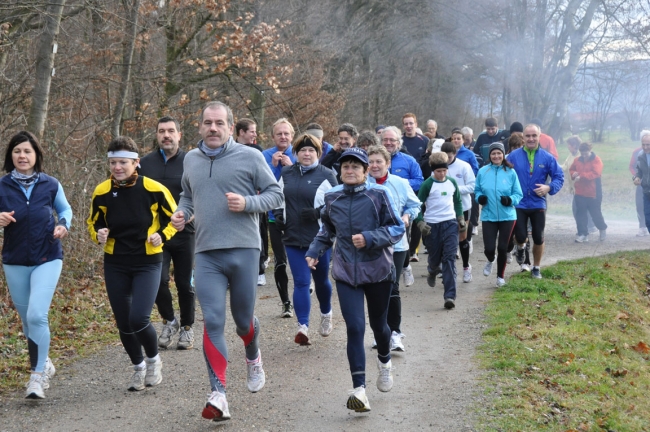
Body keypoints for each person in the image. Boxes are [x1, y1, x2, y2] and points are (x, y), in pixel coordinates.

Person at [171, 101, 283, 421]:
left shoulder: (249, 156)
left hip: (244, 249)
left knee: (243, 321)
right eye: (208, 123)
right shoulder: (191, 159)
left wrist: (248, 202)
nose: (213, 128)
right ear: (200, 126)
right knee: (214, 321)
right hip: (206, 252)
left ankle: (253, 354)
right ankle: (218, 393)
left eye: (220, 123)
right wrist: (183, 212)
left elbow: (275, 195)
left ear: (231, 128)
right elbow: (188, 194)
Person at [305, 147, 404, 413]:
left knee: (379, 326)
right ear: (340, 170)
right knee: (355, 328)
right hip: (346, 272)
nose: (350, 171)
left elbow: (397, 228)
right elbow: (327, 231)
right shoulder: (331, 197)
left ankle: (384, 362)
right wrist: (315, 251)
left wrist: (370, 238)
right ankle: (359, 389)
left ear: (365, 171)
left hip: (378, 271)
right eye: (345, 167)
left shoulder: (378, 195)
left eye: (355, 167)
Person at [88, 136, 177, 392]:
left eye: (123, 162)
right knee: (124, 322)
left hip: (147, 261)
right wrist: (99, 234)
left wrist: (163, 235)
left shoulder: (154, 188)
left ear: (136, 162)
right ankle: (138, 367)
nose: (118, 167)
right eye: (113, 162)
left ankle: (153, 360)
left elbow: (176, 218)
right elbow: (93, 222)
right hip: (115, 262)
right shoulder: (102, 191)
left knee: (139, 318)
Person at [0, 131, 72, 399]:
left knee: (36, 315)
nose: (22, 156)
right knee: (27, 321)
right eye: (17, 151)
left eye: (27, 151)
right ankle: (45, 361)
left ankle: (37, 376)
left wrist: (63, 225)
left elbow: (65, 210)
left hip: (48, 257)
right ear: (11, 156)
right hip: (15, 260)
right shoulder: (2, 185)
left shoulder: (50, 184)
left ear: (36, 156)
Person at [274, 133, 338, 346]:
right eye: (302, 150)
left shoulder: (327, 174)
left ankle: (326, 313)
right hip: (293, 236)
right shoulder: (286, 172)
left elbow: (337, 204)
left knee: (321, 281)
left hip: (319, 238)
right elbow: (277, 196)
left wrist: (318, 212)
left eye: (311, 150)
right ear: (296, 153)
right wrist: (278, 214)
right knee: (301, 281)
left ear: (318, 153)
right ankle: (303, 327)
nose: (307, 154)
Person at [139, 116, 196, 351]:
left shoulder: (192, 161)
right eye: (161, 131)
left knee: (184, 283)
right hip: (155, 236)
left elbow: (199, 194)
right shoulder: (144, 163)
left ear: (179, 135)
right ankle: (169, 321)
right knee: (158, 282)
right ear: (156, 135)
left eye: (171, 131)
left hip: (185, 232)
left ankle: (187, 329)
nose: (166, 135)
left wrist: (190, 216)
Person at [367, 145, 420, 352]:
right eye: (371, 162)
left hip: (397, 244)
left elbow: (414, 204)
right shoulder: (363, 184)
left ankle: (395, 333)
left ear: (388, 163)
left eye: (379, 161)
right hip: (371, 244)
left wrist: (407, 216)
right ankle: (380, 332)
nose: (374, 166)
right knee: (374, 290)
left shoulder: (400, 183)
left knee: (392, 287)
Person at [509, 124, 564, 279]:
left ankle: (536, 267)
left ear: (540, 137)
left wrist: (549, 187)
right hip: (519, 203)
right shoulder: (513, 156)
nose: (531, 139)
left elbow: (559, 177)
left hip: (538, 203)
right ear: (523, 138)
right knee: (520, 236)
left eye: (534, 136)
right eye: (528, 136)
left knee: (538, 237)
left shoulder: (547, 158)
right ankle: (520, 247)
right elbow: (501, 173)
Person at [415, 151, 465, 309]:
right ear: (433, 170)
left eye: (444, 170)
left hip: (449, 223)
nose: (442, 174)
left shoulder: (451, 182)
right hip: (432, 226)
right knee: (435, 259)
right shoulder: (427, 184)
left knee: (449, 258)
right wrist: (420, 223)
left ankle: (450, 296)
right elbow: (417, 206)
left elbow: (457, 201)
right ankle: (432, 269)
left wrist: (460, 217)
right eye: (438, 171)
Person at [475, 143, 522, 287]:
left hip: (507, 215)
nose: (496, 156)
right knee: (489, 249)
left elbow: (518, 194)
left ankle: (500, 277)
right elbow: (477, 190)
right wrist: (480, 198)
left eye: (499, 153)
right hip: (489, 215)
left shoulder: (510, 172)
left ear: (503, 154)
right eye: (493, 153)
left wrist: (510, 200)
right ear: (489, 155)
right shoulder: (483, 171)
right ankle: (491, 259)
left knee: (502, 247)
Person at [381, 126, 424, 284]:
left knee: (402, 239)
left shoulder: (408, 160)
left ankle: (405, 266)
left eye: (392, 140)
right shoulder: (374, 161)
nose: (388, 143)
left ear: (399, 142)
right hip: (379, 210)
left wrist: (399, 184)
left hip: (402, 210)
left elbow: (419, 180)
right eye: (385, 140)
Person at [262, 118, 296, 317]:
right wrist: (274, 166)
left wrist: (291, 166)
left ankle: (304, 284)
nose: (283, 137)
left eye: (286, 134)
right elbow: (262, 185)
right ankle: (286, 303)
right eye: (279, 134)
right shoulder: (264, 156)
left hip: (297, 215)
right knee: (280, 260)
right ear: (273, 136)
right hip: (275, 215)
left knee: (301, 256)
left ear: (292, 136)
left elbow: (302, 183)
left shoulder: (301, 153)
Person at [235, 118, 269, 286]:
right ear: (241, 132)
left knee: (259, 232)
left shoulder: (256, 150)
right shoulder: (229, 150)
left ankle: (259, 269)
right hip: (234, 201)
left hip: (254, 201)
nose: (255, 134)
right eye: (252, 131)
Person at [441, 142, 476, 283]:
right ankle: (448, 269)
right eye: (444, 157)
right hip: (444, 208)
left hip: (462, 207)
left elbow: (472, 186)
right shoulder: (438, 166)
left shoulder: (464, 166)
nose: (447, 160)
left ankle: (466, 267)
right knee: (446, 239)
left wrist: (455, 189)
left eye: (449, 157)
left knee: (462, 237)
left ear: (454, 154)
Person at [570, 142, 607, 242]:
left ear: (590, 151)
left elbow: (595, 173)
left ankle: (602, 228)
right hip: (580, 192)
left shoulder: (596, 160)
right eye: (582, 153)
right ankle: (583, 234)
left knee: (595, 214)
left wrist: (580, 176)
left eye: (586, 153)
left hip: (593, 192)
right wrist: (573, 174)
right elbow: (572, 169)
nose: (584, 155)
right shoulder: (577, 160)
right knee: (580, 214)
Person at [631, 133, 649, 236]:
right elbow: (634, 168)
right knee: (641, 206)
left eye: (648, 144)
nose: (646, 147)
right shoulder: (638, 153)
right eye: (644, 144)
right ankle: (642, 227)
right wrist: (636, 178)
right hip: (643, 186)